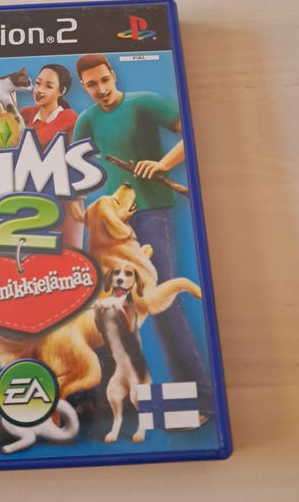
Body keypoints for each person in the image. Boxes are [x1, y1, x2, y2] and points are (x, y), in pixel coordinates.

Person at [73, 54, 214, 417]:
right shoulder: (87, 120)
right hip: (110, 225)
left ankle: (202, 401)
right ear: (84, 87)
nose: (101, 89)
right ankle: (110, 404)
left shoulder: (144, 102)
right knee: (106, 310)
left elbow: (192, 132)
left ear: (113, 75)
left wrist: (163, 164)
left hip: (151, 210)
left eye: (105, 80)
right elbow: (73, 169)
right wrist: (76, 203)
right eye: (92, 84)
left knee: (162, 304)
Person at [20, 63, 83, 248]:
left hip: (64, 199)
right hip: (32, 197)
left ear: (61, 91)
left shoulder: (69, 116)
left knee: (67, 253)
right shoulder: (28, 114)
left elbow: (32, 144)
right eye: (38, 83)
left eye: (48, 86)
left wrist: (13, 121)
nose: (39, 90)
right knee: (32, 254)